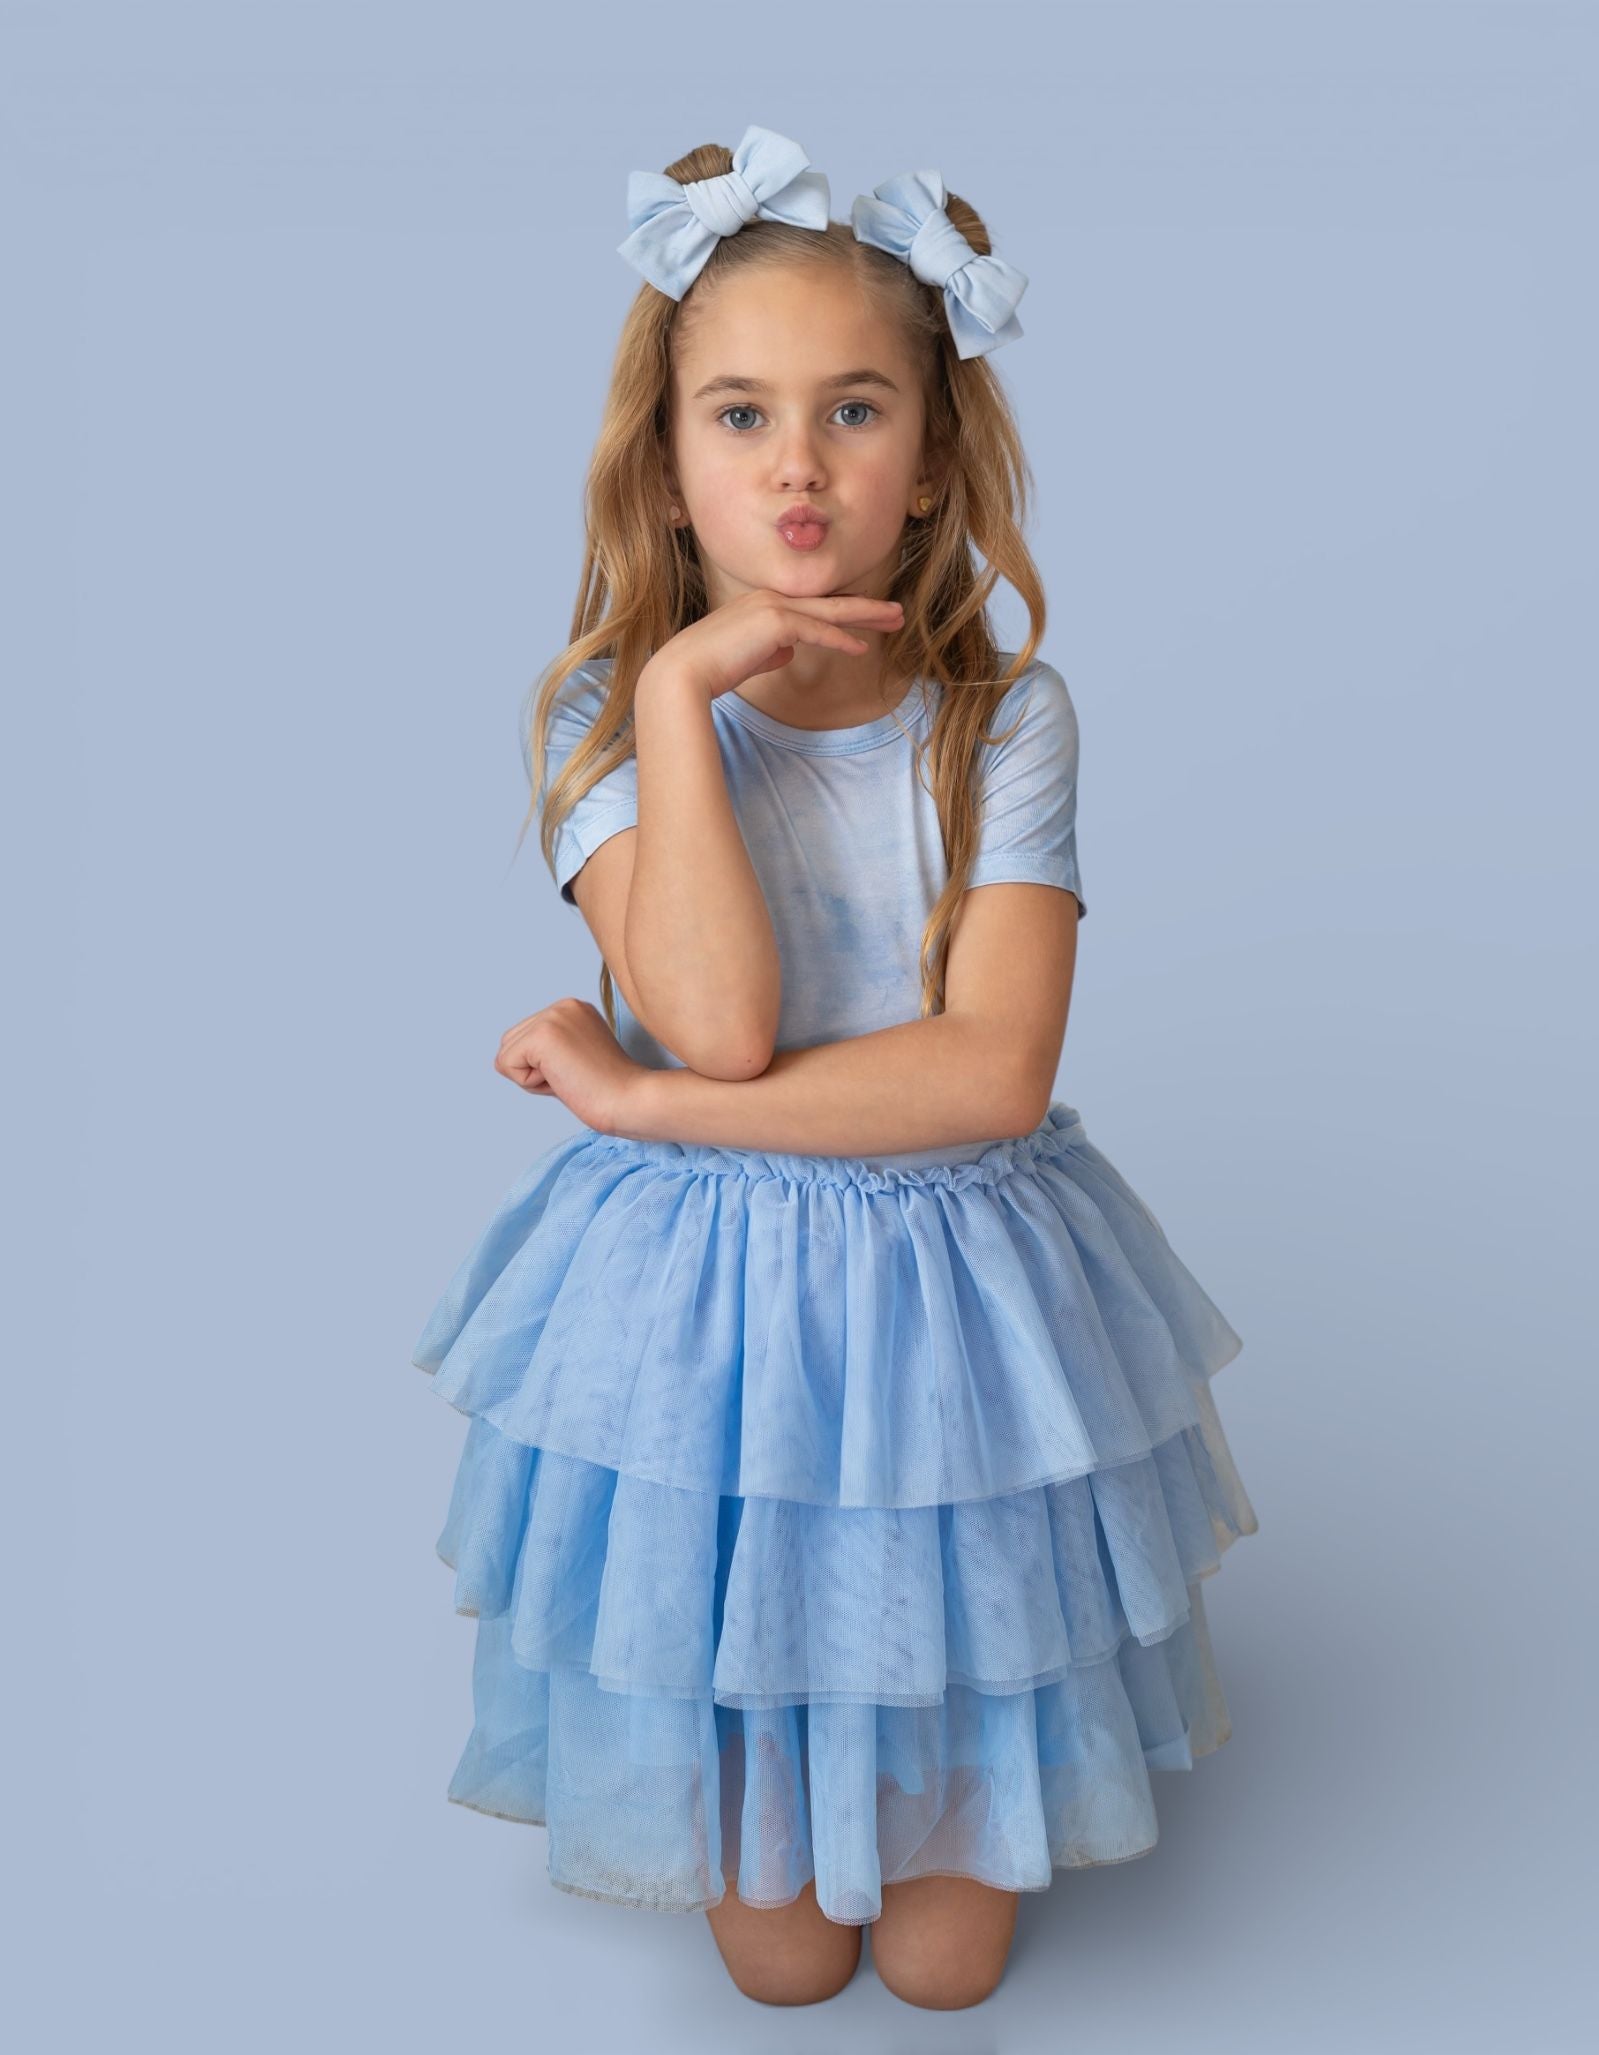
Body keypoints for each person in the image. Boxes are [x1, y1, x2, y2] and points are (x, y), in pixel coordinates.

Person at [411, 124, 1260, 2013]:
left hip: (950, 1282)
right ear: (668, 463)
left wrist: (645, 1105)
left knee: (946, 1966)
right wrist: (676, 693)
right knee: (786, 1965)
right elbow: (721, 1012)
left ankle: (930, 1771)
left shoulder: (1000, 720)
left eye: (854, 410)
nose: (796, 464)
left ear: (931, 458)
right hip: (706, 1304)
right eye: (741, 416)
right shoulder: (603, 715)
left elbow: (990, 1079)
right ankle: (769, 1766)